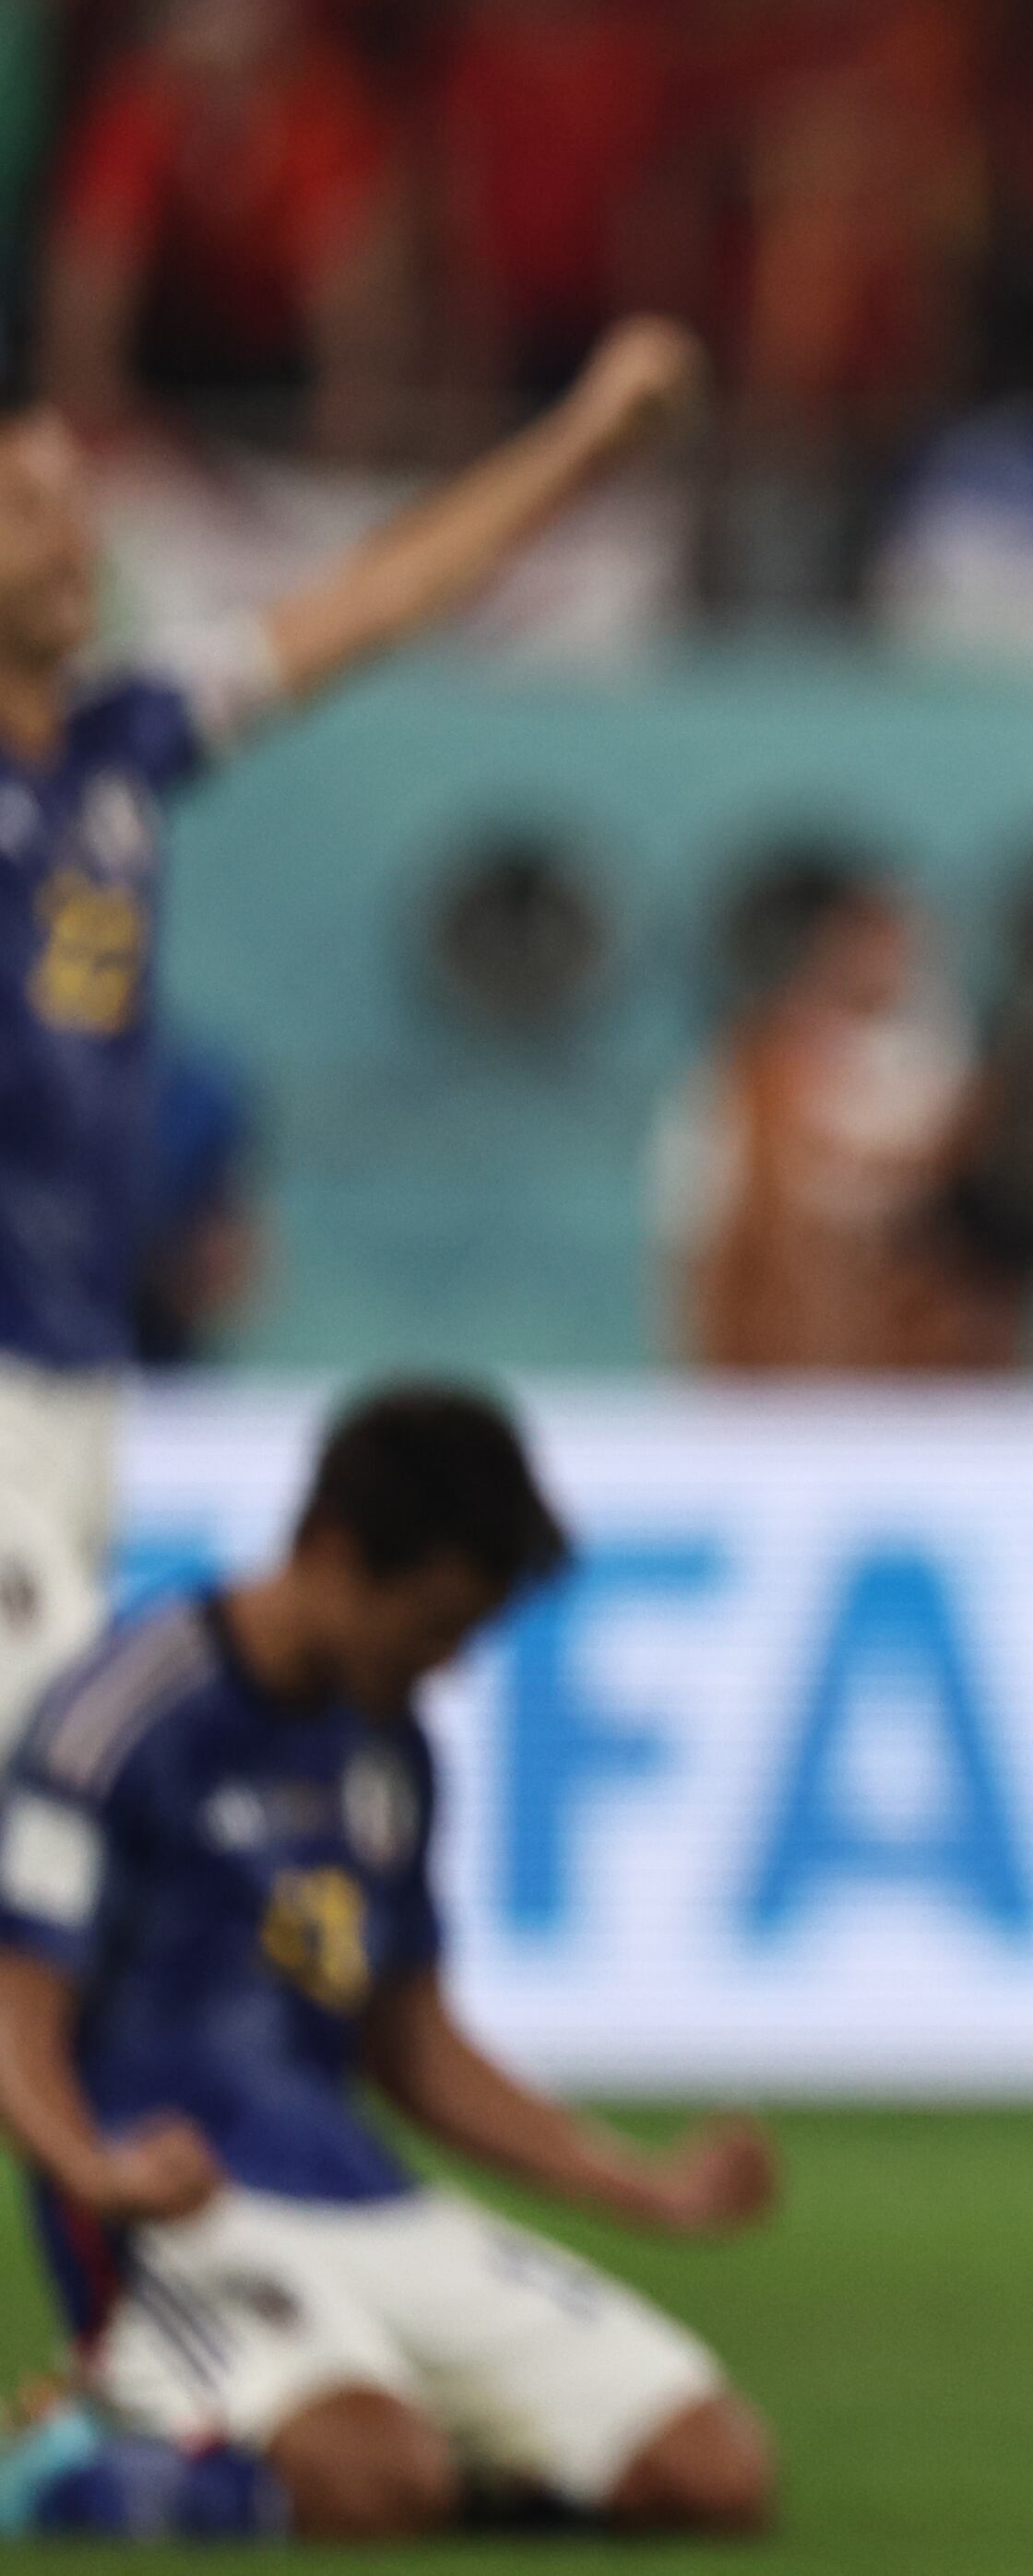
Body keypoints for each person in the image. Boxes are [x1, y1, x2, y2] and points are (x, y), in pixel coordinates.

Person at [0, 314, 698, 1747]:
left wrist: (580, 439)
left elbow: (372, 599)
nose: (74, 540)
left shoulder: (124, 742)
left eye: (80, 502)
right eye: (25, 507)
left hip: (77, 1374)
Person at [0, 1383, 777, 2539]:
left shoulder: (389, 1747)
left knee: (710, 2474)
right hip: (180, 2204)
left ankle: (352, 2446)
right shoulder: (123, 1716)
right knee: (372, 2481)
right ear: (330, 1550)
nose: (449, 1664)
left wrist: (642, 2183)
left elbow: (412, 2043)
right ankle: (62, 2461)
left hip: (358, 2188)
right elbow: (18, 2010)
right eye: (435, 1624)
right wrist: (93, 2174)